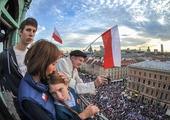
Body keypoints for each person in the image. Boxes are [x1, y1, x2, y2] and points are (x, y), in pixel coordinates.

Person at [18, 39, 87, 120]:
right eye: (53, 64)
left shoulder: (39, 79)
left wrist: (60, 81)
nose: (54, 69)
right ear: (42, 62)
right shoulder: (29, 99)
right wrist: (82, 116)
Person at [0, 17, 38, 120]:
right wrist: (8, 88)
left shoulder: (33, 55)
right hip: (17, 101)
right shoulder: (5, 55)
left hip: (34, 99)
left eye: (34, 31)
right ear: (20, 32)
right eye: (28, 30)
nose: (31, 34)